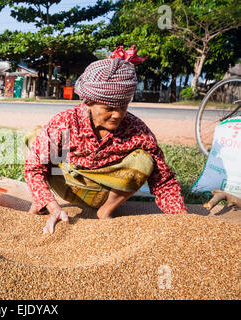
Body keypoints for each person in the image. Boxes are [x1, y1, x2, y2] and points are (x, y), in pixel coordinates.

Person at [24, 45, 188, 234]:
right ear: (89, 102)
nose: (118, 115)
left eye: (123, 106)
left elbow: (164, 181)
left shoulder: (136, 130)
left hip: (104, 193)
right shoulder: (65, 123)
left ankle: (105, 211)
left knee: (145, 160)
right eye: (109, 108)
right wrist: (53, 206)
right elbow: (35, 169)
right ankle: (40, 203)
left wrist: (181, 220)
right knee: (38, 141)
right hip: (67, 184)